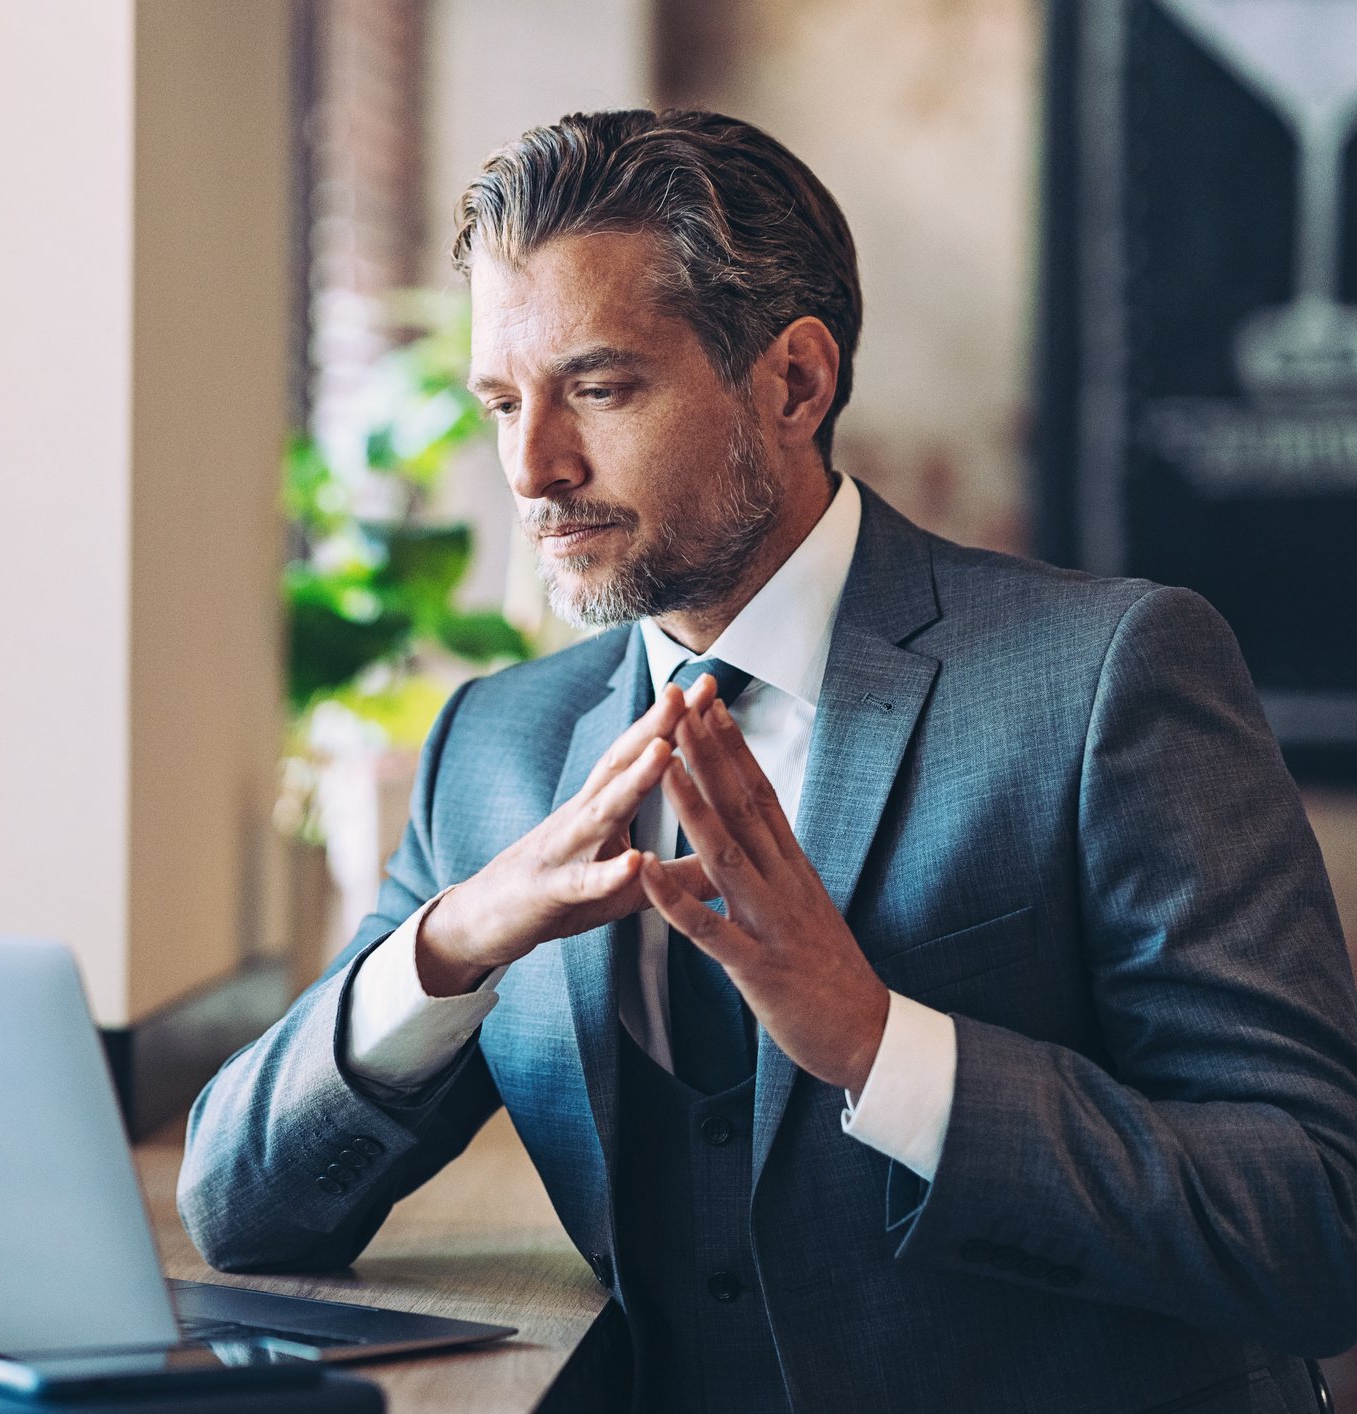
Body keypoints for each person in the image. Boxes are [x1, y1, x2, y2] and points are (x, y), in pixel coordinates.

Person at [176, 109, 1357, 1414]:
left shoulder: (1110, 675)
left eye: (598, 387)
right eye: (503, 402)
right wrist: (455, 939)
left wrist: (872, 1042)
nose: (531, 467)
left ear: (793, 382)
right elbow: (240, 1205)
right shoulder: (495, 748)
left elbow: (1309, 1226)